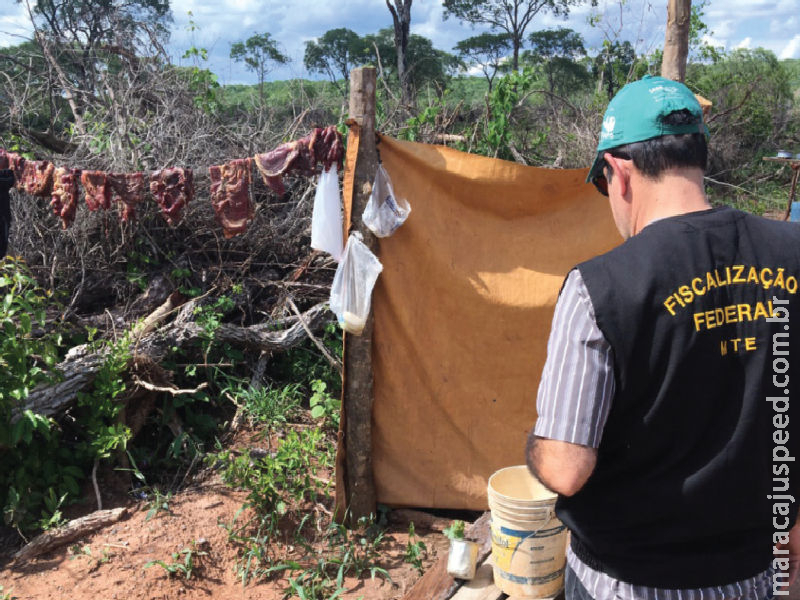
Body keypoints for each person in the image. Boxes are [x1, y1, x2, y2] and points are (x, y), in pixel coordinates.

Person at [525, 74, 800, 600]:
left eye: (604, 184)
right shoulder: (792, 254)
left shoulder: (599, 287)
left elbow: (566, 468)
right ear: (698, 157)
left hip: (628, 581)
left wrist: (536, 446)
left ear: (620, 173)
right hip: (755, 573)